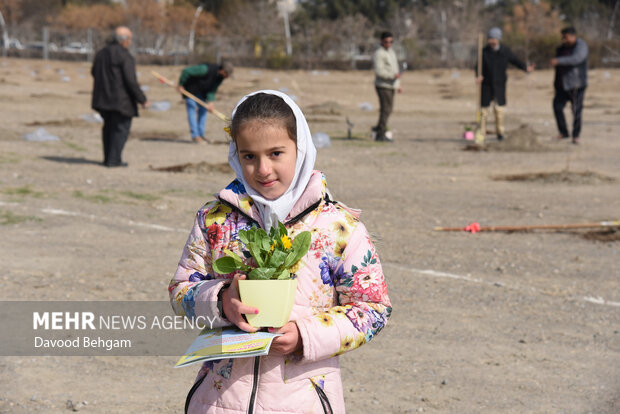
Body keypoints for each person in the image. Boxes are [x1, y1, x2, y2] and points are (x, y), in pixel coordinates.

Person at [169, 90, 392, 413]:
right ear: (235, 154)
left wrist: (306, 335)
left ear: (300, 149)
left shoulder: (338, 227)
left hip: (303, 401)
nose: (263, 169)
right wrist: (221, 302)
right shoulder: (214, 219)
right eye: (249, 156)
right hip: (219, 401)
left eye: (276, 153)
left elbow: (373, 308)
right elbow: (180, 290)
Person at [91, 26, 149, 167]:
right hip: (121, 101)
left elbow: (93, 72)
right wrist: (142, 99)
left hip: (103, 99)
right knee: (120, 130)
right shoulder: (125, 56)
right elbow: (131, 80)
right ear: (123, 40)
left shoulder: (101, 54)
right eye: (129, 39)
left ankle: (108, 158)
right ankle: (114, 160)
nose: (130, 42)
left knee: (108, 129)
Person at [476, 27, 534, 141]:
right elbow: (477, 67)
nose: (490, 41)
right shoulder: (484, 51)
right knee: (483, 111)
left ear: (498, 39)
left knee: (499, 110)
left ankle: (500, 133)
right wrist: (478, 76)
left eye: (493, 39)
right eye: (489, 39)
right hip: (486, 85)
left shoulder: (505, 51)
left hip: (499, 84)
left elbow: (515, 61)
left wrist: (525, 68)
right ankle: (481, 133)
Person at [177, 62, 233, 143]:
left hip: (201, 93)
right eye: (227, 74)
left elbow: (213, 90)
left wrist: (210, 102)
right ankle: (195, 136)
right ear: (223, 71)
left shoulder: (220, 78)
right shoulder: (204, 69)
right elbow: (186, 71)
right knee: (192, 109)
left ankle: (201, 135)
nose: (227, 77)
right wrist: (181, 84)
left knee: (203, 110)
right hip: (189, 90)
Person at [551, 27, 588, 145]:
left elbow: (577, 59)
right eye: (562, 37)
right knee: (557, 107)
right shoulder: (561, 49)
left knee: (576, 111)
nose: (563, 40)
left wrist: (559, 61)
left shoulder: (581, 46)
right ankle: (563, 132)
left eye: (565, 37)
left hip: (576, 84)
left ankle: (576, 135)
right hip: (562, 85)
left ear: (573, 36)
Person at [372, 31, 402, 143]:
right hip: (383, 85)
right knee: (386, 109)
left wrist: (398, 84)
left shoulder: (391, 52)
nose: (389, 43)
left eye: (391, 41)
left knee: (388, 109)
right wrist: (392, 76)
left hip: (391, 85)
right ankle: (380, 133)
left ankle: (379, 128)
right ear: (381, 41)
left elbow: (395, 70)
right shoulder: (379, 53)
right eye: (386, 41)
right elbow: (379, 71)